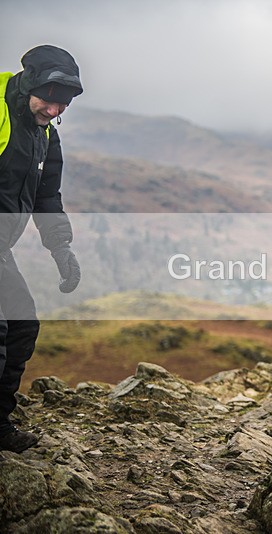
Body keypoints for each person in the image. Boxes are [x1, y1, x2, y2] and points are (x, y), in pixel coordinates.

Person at [0, 45, 82, 453]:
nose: (53, 110)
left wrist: (61, 249)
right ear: (30, 83)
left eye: (61, 105)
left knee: (21, 325)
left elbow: (47, 196)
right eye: (48, 100)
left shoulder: (45, 134)